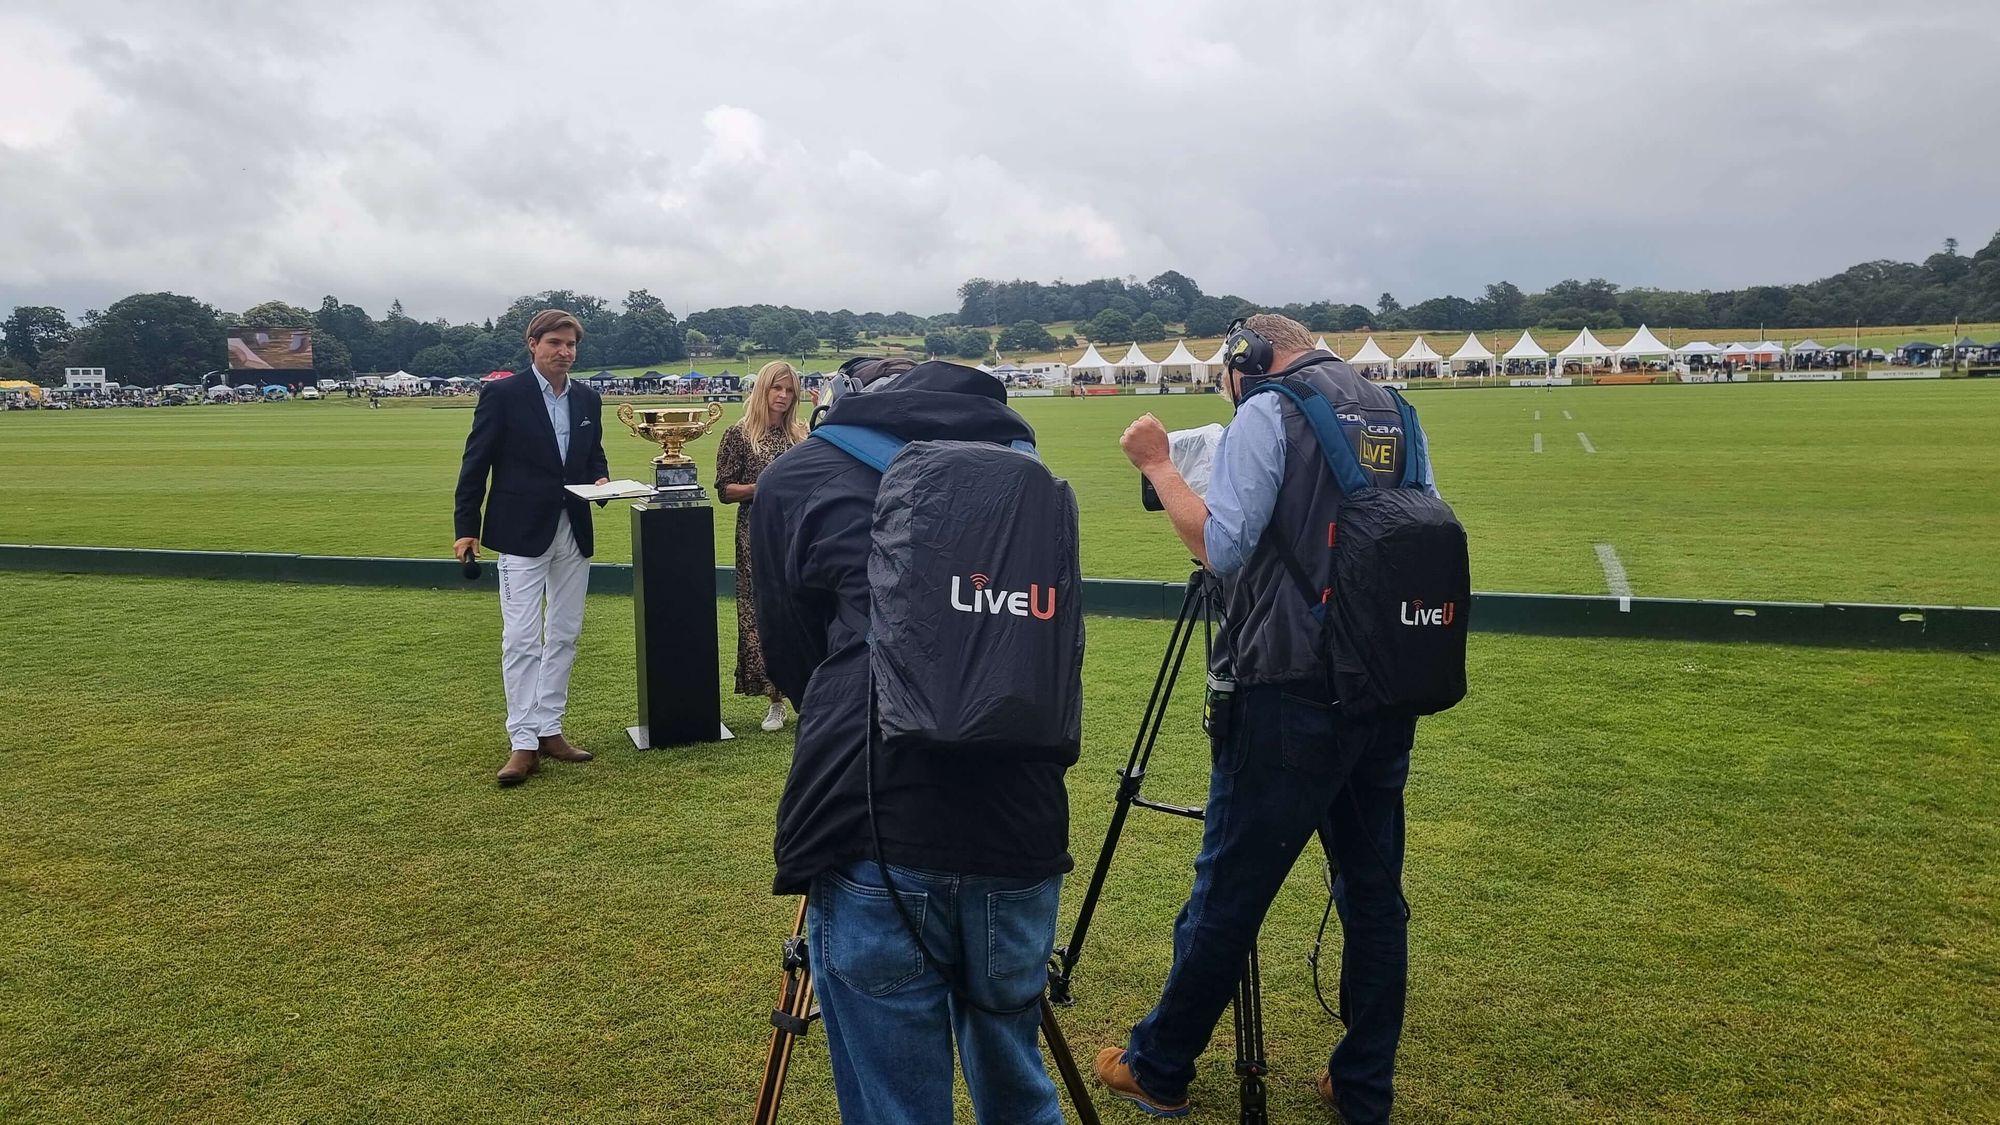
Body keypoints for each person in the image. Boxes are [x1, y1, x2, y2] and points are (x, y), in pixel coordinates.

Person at [1094, 314, 1439, 1123]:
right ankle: (1362, 1088)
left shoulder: (1269, 408)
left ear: (1246, 357)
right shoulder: (1396, 409)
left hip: (1288, 683)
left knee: (1230, 885)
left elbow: (1221, 546)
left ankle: (1159, 1066)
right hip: (1381, 683)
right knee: (1373, 893)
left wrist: (1159, 466)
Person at [749, 359, 1073, 1125]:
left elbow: (793, 653)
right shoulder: (1029, 477)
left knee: (896, 1106)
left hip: (872, 817)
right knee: (1016, 1079)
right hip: (1020, 820)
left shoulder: (798, 476)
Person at [452, 310, 612, 787]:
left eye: (571, 345)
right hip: (520, 531)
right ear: (533, 344)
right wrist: (466, 526)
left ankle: (549, 729)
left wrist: (602, 479)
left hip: (573, 528)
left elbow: (593, 454)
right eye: (555, 343)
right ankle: (522, 741)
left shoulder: (588, 398)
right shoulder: (503, 394)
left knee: (564, 633)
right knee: (521, 638)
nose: (565, 352)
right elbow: (476, 462)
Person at [714, 361, 807, 733]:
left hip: (799, 532)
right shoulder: (738, 434)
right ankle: (775, 700)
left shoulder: (801, 434)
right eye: (776, 388)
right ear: (763, 389)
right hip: (756, 534)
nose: (783, 396)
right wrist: (764, 487)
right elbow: (724, 490)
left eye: (789, 391)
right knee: (761, 612)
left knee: (802, 609)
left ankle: (811, 695)